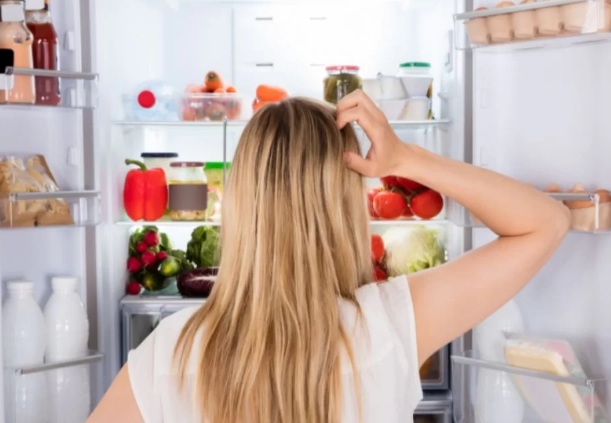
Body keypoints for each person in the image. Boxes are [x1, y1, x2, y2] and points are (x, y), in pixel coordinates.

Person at [87, 91, 570, 423]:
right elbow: (545, 222)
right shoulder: (393, 323)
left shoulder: (168, 352)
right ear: (343, 207)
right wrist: (404, 158)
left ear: (242, 202)